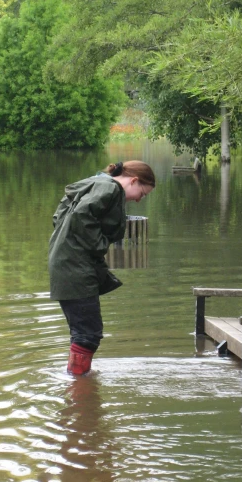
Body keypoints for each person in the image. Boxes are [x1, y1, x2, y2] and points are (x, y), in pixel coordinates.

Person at [49, 160, 156, 376]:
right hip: (76, 268)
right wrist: (98, 245)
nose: (138, 199)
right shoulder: (111, 188)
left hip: (64, 264)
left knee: (84, 333)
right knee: (88, 335)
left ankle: (78, 387)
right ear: (133, 180)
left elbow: (58, 217)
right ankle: (79, 390)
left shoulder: (94, 183)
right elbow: (81, 217)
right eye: (142, 193)